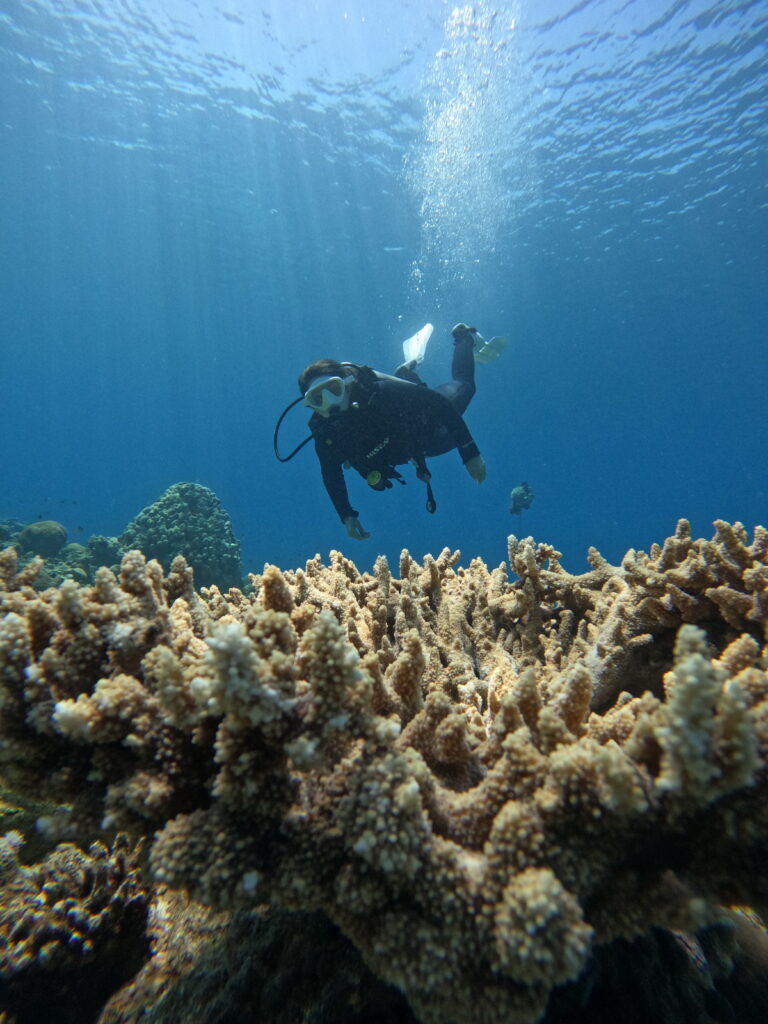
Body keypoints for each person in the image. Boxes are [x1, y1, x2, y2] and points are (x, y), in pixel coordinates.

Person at [297, 322, 497, 540]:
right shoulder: (326, 434)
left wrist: (469, 452)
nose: (329, 403)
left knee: (465, 385)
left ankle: (463, 337)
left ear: (346, 384)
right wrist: (346, 515)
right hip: (413, 449)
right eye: (317, 398)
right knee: (417, 399)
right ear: (310, 406)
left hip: (430, 422)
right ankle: (406, 373)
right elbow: (331, 473)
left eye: (333, 390)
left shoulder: (381, 392)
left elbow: (439, 404)